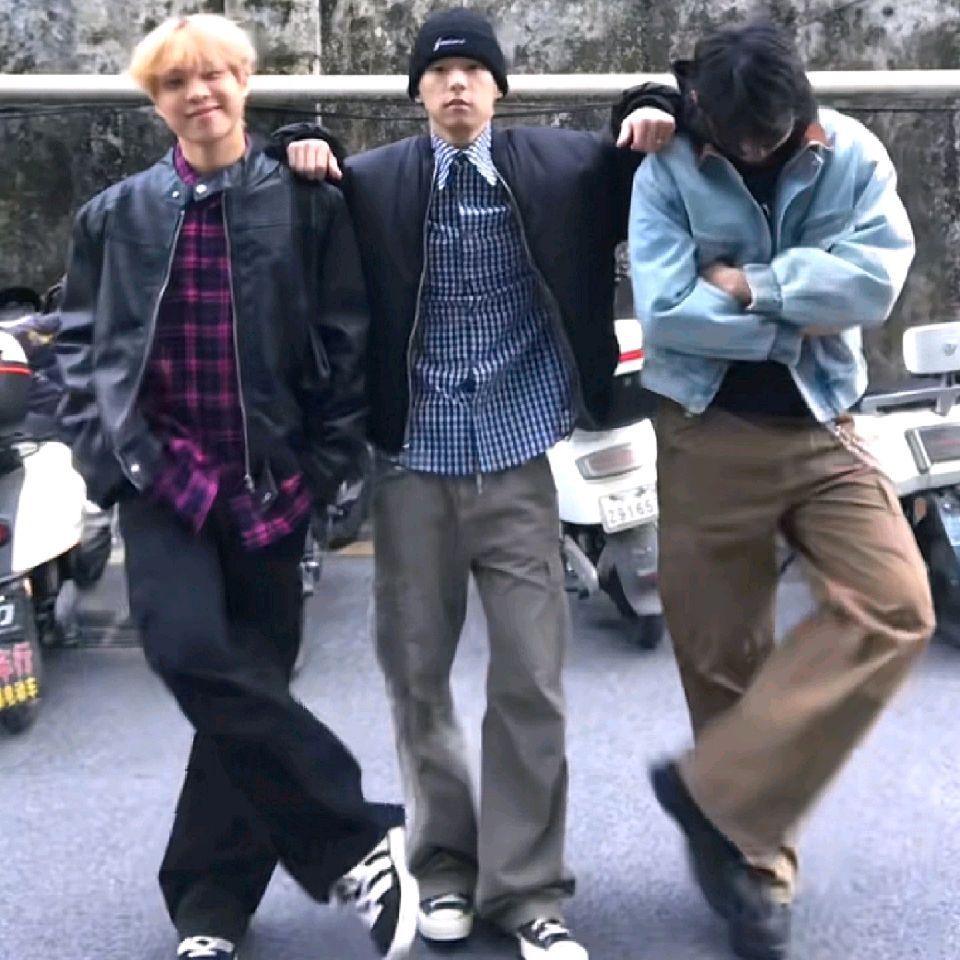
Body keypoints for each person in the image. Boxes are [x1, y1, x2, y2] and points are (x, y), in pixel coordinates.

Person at [273, 8, 677, 958]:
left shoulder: (562, 168)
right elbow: (280, 184)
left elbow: (642, 147)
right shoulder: (376, 182)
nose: (456, 85)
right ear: (417, 90)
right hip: (411, 469)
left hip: (520, 465)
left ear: (499, 87)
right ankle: (445, 867)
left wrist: (652, 102)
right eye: (438, 71)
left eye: (473, 71)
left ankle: (529, 890)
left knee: (532, 679)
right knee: (418, 680)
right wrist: (293, 142)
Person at [54, 15, 417, 960]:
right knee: (188, 651)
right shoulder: (115, 215)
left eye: (215, 75)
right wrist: (105, 458)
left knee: (244, 693)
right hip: (164, 481)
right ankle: (358, 839)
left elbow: (347, 341)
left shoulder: (305, 203)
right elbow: (77, 350)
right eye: (177, 83)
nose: (200, 94)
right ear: (157, 102)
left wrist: (328, 470)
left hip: (273, 486)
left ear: (245, 82)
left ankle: (210, 907)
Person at [627, 19, 935, 960]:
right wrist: (796, 311)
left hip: (825, 421)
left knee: (896, 605)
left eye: (778, 134)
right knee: (723, 656)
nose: (762, 150)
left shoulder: (851, 151)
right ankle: (759, 871)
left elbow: (873, 286)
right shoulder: (667, 168)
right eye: (743, 139)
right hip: (707, 428)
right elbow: (666, 313)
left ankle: (711, 793)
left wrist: (751, 288)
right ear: (703, 112)